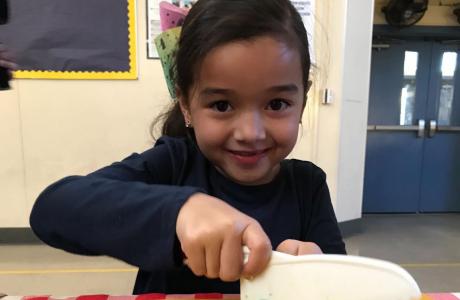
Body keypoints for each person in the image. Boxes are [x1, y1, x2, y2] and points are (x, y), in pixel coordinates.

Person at [30, 0, 346, 295]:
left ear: (302, 101)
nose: (251, 133)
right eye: (222, 105)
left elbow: (345, 284)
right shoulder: (173, 164)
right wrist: (180, 210)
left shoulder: (308, 186)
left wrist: (317, 269)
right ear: (185, 105)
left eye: (277, 104)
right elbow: (52, 209)